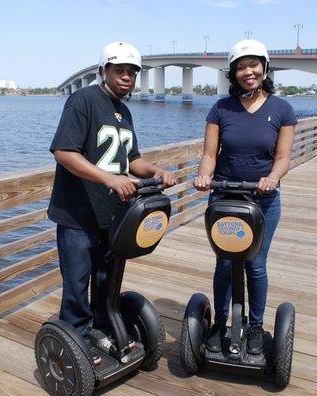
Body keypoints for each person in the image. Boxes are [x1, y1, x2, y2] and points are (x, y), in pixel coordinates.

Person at [48, 42, 176, 361]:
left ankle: (102, 332)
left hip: (113, 216)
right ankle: (76, 346)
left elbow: (131, 159)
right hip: (78, 216)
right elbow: (64, 152)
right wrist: (109, 178)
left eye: (132, 72)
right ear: (103, 70)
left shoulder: (124, 110)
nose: (126, 77)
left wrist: (157, 170)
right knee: (77, 289)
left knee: (107, 282)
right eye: (119, 70)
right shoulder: (83, 100)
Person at [193, 39, 297, 355]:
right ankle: (219, 323)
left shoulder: (282, 109)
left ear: (264, 68)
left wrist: (272, 178)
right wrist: (203, 176)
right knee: (224, 263)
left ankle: (255, 326)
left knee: (255, 265)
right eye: (241, 67)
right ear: (233, 73)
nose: (247, 72)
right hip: (224, 197)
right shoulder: (220, 108)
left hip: (262, 200)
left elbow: (283, 157)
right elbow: (210, 153)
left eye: (253, 65)